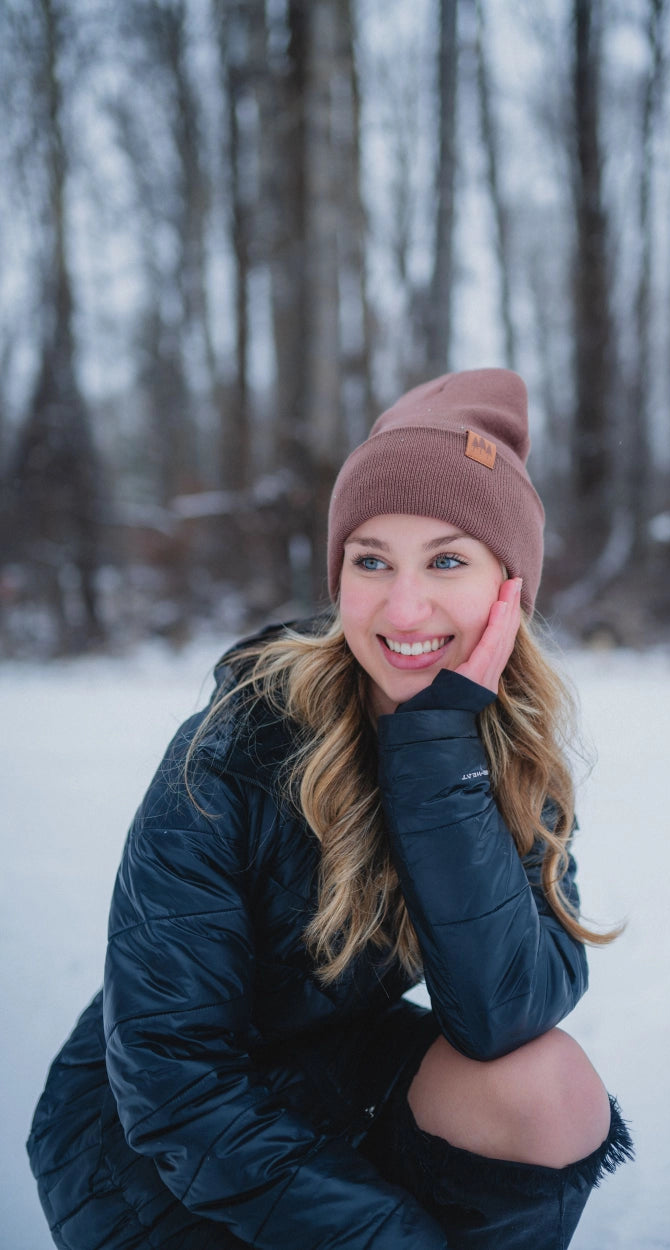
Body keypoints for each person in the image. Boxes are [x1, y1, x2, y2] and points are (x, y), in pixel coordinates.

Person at [27, 368, 632, 1249]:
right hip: (143, 1141)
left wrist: (437, 763)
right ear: (338, 575)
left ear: (511, 590)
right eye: (372, 560)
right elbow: (172, 1083)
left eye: (449, 560)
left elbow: (505, 1014)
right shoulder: (235, 748)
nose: (405, 605)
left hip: (331, 1071)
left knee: (546, 1087)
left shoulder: (498, 748)